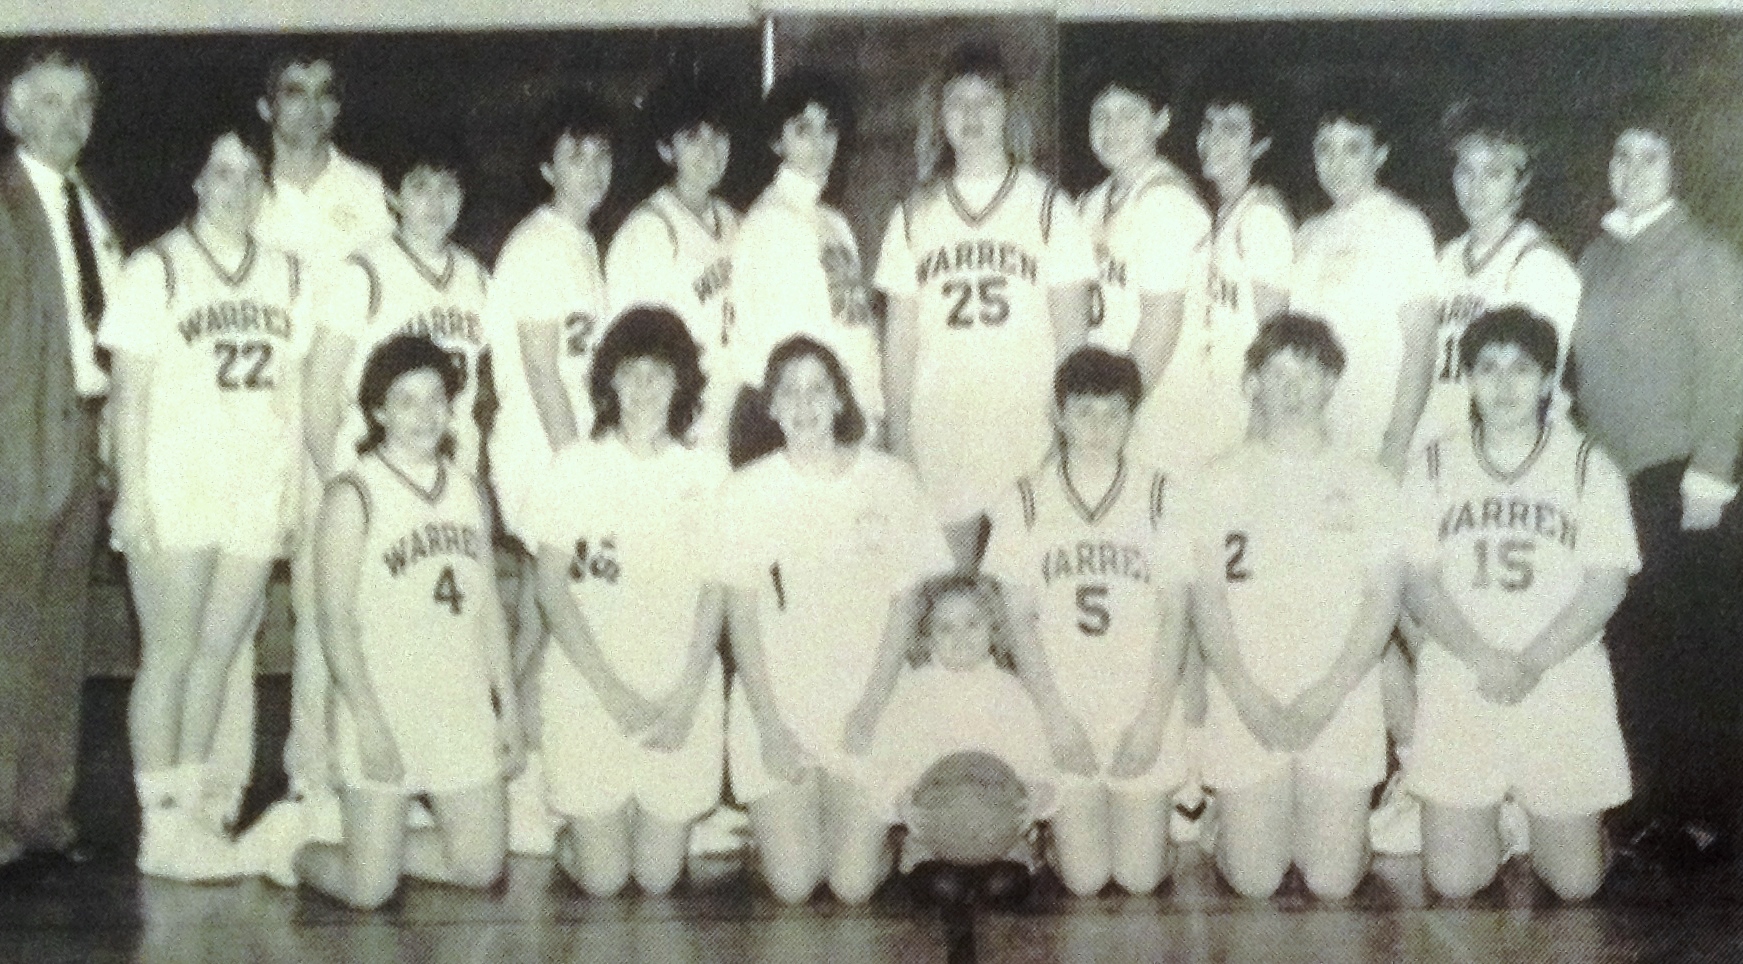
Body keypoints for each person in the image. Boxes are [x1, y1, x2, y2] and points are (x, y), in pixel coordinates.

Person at [101, 128, 310, 879]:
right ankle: (159, 824)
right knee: (172, 653)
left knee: (220, 658)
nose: (238, 187)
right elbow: (129, 396)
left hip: (252, 488)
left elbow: (290, 393)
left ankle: (189, 816)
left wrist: (289, 488)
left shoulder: (288, 275)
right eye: (223, 172)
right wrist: (131, 496)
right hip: (177, 482)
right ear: (196, 180)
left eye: (252, 174)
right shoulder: (155, 267)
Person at [258, 335, 520, 909]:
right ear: (377, 411)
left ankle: (372, 839)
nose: (425, 415)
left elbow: (489, 612)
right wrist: (369, 722)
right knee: (368, 889)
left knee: (479, 867)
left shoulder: (470, 491)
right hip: (382, 704)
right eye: (406, 400)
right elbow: (334, 622)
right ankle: (292, 847)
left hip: (458, 702)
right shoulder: (354, 493)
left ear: (452, 407)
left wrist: (508, 711)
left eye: (436, 399)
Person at [1401, 308, 1633, 901]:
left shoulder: (1588, 465)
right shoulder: (1432, 463)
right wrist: (1484, 655)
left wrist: (1529, 661)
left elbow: (1606, 586)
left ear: (1548, 380)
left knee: (1576, 885)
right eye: (1488, 369)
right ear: (1469, 379)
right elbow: (1420, 582)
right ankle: (1501, 819)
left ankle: (1558, 822)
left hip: (1557, 673)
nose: (1504, 386)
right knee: (1454, 882)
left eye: (1522, 370)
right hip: (1464, 670)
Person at [716, 336, 952, 904]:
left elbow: (906, 603)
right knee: (795, 886)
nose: (804, 405)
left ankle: (884, 836)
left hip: (864, 699)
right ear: (770, 407)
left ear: (841, 400)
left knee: (851, 887)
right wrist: (770, 727)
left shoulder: (890, 481)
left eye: (817, 389)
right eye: (788, 392)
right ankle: (777, 834)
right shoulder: (746, 490)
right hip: (780, 705)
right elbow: (741, 617)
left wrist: (871, 708)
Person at [1181, 314, 1405, 900]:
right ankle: (1223, 822)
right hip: (1247, 694)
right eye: (1276, 372)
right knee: (1255, 881)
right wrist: (1249, 698)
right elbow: (1207, 603)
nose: (1292, 386)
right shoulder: (1212, 481)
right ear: (1251, 382)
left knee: (1331, 883)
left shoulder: (1368, 481)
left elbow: (1383, 600)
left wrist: (1327, 694)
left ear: (1332, 383)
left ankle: (1346, 823)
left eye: (1309, 372)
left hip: (1338, 695)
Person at [1569, 116, 1743, 870]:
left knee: (1691, 654)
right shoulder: (1599, 254)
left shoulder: (1701, 254)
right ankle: (1651, 801)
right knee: (1631, 649)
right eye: (1620, 153)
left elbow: (1729, 369)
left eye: (1651, 155)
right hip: (1612, 481)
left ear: (1678, 168)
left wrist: (1711, 472)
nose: (1632, 168)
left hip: (1679, 480)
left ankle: (1703, 810)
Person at [524, 308, 728, 896]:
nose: (644, 388)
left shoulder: (707, 471)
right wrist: (612, 694)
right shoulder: (575, 467)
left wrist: (688, 694)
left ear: (681, 383)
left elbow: (715, 589)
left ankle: (650, 826)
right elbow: (550, 591)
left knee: (659, 879)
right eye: (630, 372)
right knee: (606, 881)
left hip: (675, 684)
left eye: (659, 373)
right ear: (609, 381)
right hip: (592, 684)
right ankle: (576, 836)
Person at [249, 50, 395, 844]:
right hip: (245, 423)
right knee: (232, 618)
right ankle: (210, 793)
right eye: (291, 94)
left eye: (322, 95)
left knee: (325, 601)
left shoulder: (368, 193)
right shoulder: (239, 186)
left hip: (330, 422)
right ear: (266, 107)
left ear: (336, 109)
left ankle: (319, 774)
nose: (307, 109)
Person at [877, 43, 1098, 564]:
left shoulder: (1049, 207)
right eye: (957, 102)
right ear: (940, 117)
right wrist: (900, 444)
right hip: (940, 433)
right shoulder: (912, 215)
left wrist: (1061, 443)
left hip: (1027, 435)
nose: (972, 115)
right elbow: (898, 344)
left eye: (987, 101)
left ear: (1009, 112)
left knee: (1020, 600)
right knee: (947, 604)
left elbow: (1073, 344)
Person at [981, 347, 1190, 896]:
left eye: (1113, 414)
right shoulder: (1023, 499)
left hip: (1138, 699)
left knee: (1140, 878)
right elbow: (1019, 622)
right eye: (1084, 413)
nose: (1098, 428)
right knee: (1085, 880)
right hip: (1065, 701)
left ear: (1131, 419)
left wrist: (1150, 723)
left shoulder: (1162, 494)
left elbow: (1175, 618)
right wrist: (1055, 720)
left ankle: (1174, 813)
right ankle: (1048, 833)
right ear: (1058, 415)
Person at [484, 97, 618, 857]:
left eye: (601, 156)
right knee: (550, 618)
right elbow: (540, 369)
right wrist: (580, 472)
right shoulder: (538, 244)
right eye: (575, 156)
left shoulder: (580, 243)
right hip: (542, 455)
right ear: (546, 166)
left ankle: (524, 776)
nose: (592, 170)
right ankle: (523, 787)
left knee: (543, 619)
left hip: (563, 454)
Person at [0, 48, 120, 866]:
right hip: (16, 440)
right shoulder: (6, 202)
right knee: (7, 637)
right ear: (13, 114)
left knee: (60, 639)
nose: (68, 119)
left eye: (81, 103)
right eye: (49, 103)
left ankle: (42, 814)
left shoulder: (88, 204)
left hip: (81, 439)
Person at [844, 573, 1063, 905]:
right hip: (933, 832)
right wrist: (901, 802)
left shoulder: (1012, 691)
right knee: (942, 888)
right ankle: (922, 863)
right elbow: (891, 758)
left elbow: (1036, 756)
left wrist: (1037, 794)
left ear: (993, 629)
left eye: (972, 624)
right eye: (945, 629)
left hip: (1000, 829)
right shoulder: (913, 693)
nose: (960, 638)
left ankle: (1023, 857)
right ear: (927, 638)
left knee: (1003, 886)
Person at [728, 70, 879, 467]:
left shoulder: (833, 222)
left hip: (846, 420)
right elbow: (788, 352)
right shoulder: (771, 221)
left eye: (829, 129)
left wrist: (870, 411)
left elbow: (853, 327)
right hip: (799, 429)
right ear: (777, 140)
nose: (819, 143)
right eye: (802, 129)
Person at [1076, 62, 1211, 473]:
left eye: (1129, 114)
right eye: (1101, 115)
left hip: (1157, 410)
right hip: (1106, 405)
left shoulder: (1165, 202)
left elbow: (1160, 324)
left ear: (1161, 120)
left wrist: (1116, 416)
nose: (1112, 128)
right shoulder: (1090, 202)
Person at [1289, 101, 1437, 475]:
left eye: (1353, 148)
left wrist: (1396, 444)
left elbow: (1421, 347)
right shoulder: (1308, 233)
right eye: (1325, 148)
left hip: (1372, 436)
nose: (1336, 164)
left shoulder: (1403, 225)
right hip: (1312, 434)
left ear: (1380, 154)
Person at [1421, 115, 1579, 446]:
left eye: (1494, 173)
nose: (1475, 187)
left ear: (1520, 184)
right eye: (1466, 171)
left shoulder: (1539, 265)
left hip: (1504, 447)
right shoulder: (1446, 258)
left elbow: (1542, 388)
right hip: (1442, 439)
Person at [606, 72, 740, 451]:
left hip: (730, 416)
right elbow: (634, 355)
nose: (709, 150)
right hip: (679, 428)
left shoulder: (733, 221)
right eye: (692, 137)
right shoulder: (649, 232)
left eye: (718, 135)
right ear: (666, 150)